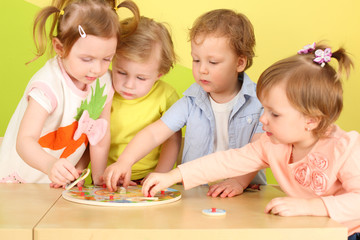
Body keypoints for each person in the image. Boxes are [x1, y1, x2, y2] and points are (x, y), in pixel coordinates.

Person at [142, 42, 360, 239]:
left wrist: (312, 206)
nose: (263, 118)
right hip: (312, 230)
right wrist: (174, 175)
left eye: (274, 114)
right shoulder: (273, 144)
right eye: (264, 109)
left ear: (311, 120)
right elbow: (227, 161)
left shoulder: (345, 148)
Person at [104, 9, 266, 195]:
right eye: (196, 60)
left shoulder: (259, 102)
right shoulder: (191, 101)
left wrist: (238, 182)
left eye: (213, 62)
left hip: (246, 191)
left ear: (239, 63)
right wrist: (125, 161)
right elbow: (154, 134)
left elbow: (259, 151)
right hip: (198, 191)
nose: (202, 69)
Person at [0, 0, 139, 187]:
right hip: (17, 183)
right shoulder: (48, 84)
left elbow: (100, 133)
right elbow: (25, 140)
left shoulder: (104, 81)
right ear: (60, 48)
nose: (97, 69)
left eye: (107, 58)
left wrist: (98, 177)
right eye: (86, 59)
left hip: (56, 186)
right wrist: (50, 165)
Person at [108, 16, 182, 183]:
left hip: (147, 177)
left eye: (141, 78)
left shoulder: (166, 95)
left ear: (159, 74)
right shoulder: (104, 90)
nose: (129, 85)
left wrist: (160, 174)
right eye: (121, 72)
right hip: (110, 176)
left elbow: (172, 139)